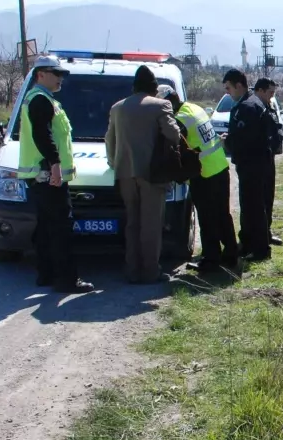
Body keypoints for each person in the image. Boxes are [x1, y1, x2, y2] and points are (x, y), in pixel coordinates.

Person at [15, 55, 94, 293]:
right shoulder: (40, 100)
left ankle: (46, 274)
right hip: (46, 173)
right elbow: (43, 135)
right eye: (55, 73)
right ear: (41, 74)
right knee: (61, 228)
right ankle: (67, 280)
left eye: (61, 74)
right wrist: (55, 164)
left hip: (40, 174)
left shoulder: (42, 99)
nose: (60, 78)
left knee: (47, 227)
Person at [105, 66, 182, 284]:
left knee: (132, 222)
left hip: (125, 173)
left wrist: (115, 163)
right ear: (154, 88)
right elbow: (173, 134)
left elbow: (109, 140)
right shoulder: (161, 105)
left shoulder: (117, 107)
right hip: (152, 174)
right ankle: (150, 270)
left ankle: (132, 268)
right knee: (151, 224)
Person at [158, 85, 238, 274]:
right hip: (219, 167)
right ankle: (231, 253)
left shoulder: (180, 120)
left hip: (204, 174)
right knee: (222, 214)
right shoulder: (194, 108)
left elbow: (174, 148)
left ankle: (211, 260)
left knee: (207, 217)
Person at [223, 69, 274, 261]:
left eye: (228, 88)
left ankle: (260, 250)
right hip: (255, 163)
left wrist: (227, 143)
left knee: (253, 207)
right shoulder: (250, 103)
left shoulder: (247, 107)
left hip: (252, 164)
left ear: (239, 85)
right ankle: (248, 244)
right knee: (249, 206)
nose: (227, 92)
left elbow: (245, 140)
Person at [252, 78, 283, 246]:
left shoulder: (267, 106)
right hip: (259, 162)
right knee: (260, 201)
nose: (272, 96)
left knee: (268, 197)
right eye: (270, 93)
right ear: (261, 91)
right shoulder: (253, 107)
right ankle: (259, 238)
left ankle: (267, 232)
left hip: (268, 158)